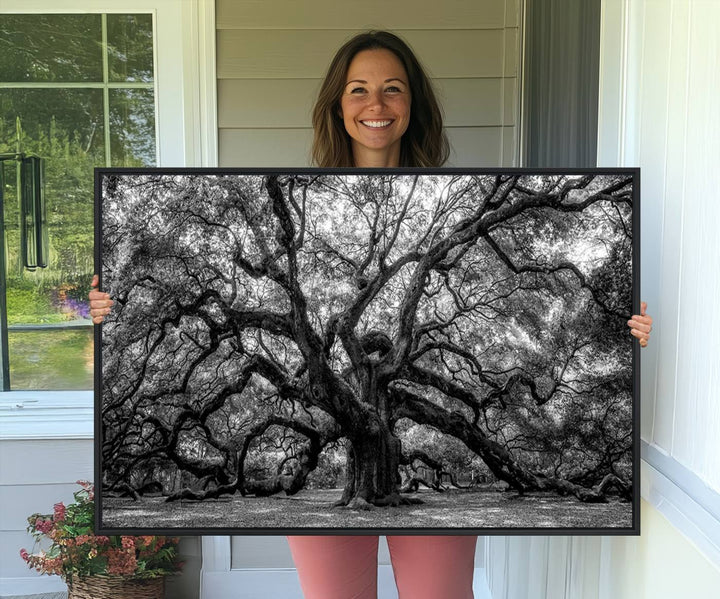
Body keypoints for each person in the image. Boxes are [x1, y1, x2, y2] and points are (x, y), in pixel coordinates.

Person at [89, 30, 653, 599]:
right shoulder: (284, 193)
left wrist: (629, 337)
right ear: (338, 105)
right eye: (358, 90)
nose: (376, 105)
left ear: (413, 105)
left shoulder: (468, 190)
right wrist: (113, 310)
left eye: (393, 89)